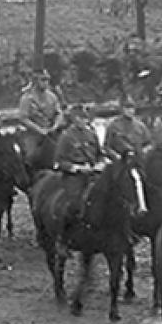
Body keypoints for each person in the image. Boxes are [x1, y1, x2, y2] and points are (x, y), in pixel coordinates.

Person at [52, 104, 105, 256]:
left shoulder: (91, 134)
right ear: (74, 119)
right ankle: (63, 240)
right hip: (74, 176)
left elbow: (99, 154)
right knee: (73, 204)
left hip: (93, 174)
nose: (84, 121)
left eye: (85, 118)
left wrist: (100, 163)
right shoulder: (66, 137)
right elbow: (59, 161)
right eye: (81, 118)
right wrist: (77, 168)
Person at [18, 69, 64, 171]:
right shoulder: (27, 98)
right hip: (33, 134)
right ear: (35, 81)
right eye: (43, 80)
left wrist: (55, 126)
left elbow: (59, 113)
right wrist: (39, 130)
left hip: (51, 131)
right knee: (30, 155)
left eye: (47, 80)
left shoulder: (52, 97)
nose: (46, 83)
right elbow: (23, 118)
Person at [103, 95, 152, 160]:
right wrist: (116, 156)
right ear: (122, 109)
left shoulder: (141, 126)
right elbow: (107, 147)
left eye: (132, 108)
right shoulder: (113, 125)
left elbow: (149, 144)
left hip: (138, 160)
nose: (130, 111)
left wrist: (143, 152)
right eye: (127, 108)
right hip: (120, 161)